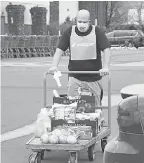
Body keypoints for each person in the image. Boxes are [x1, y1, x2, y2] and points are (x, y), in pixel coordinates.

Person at [49, 9, 111, 106]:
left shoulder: (97, 32)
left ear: (89, 22)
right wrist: (54, 66)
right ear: (76, 20)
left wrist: (106, 67)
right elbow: (59, 50)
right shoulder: (70, 32)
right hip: (75, 77)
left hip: (93, 77)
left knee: (95, 107)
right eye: (80, 22)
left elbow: (106, 49)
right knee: (72, 107)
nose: (82, 24)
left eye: (84, 22)